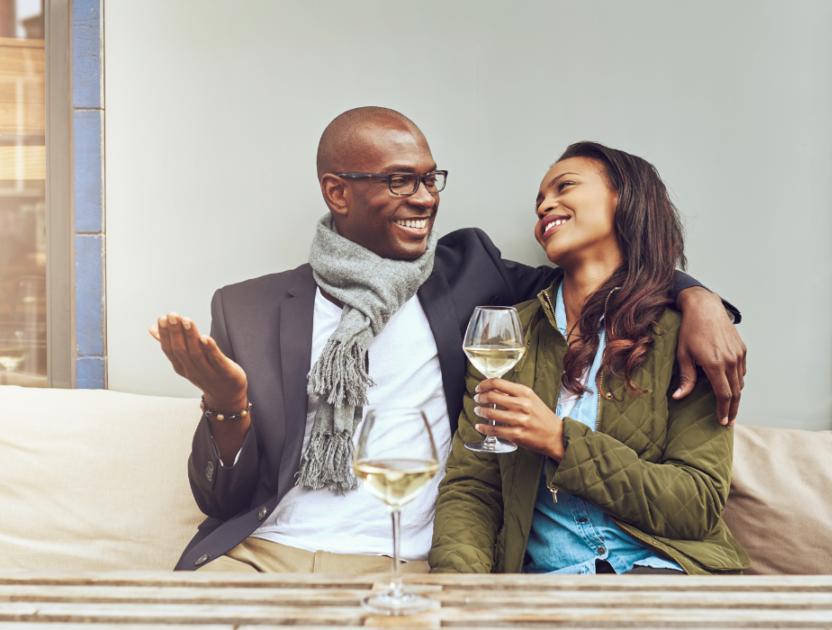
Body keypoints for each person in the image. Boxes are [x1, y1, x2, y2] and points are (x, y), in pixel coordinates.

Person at [149, 107, 747, 573]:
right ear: (338, 193)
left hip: (401, 560)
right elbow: (219, 498)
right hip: (263, 550)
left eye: (430, 179)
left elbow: (606, 279)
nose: (427, 197)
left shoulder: (474, 278)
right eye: (401, 180)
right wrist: (228, 407)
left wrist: (700, 298)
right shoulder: (247, 308)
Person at [429, 141, 750, 575]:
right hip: (549, 590)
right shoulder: (510, 336)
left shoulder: (685, 335)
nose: (545, 205)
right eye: (539, 200)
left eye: (565, 186)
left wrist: (560, 441)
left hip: (665, 576)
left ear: (625, 198)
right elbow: (473, 488)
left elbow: (696, 505)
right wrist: (460, 594)